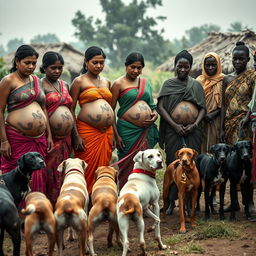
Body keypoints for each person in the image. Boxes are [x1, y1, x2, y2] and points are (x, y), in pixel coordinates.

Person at [0, 45, 53, 193]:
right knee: (14, 179)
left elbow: (43, 108)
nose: (31, 66)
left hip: (39, 140)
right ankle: (13, 213)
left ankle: (35, 211)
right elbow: (0, 110)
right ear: (17, 61)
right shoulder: (8, 81)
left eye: (34, 63)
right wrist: (4, 141)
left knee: (37, 176)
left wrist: (48, 135)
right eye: (27, 63)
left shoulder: (36, 80)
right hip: (17, 139)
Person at [111, 52, 159, 189]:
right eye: (132, 67)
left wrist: (154, 115)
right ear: (126, 66)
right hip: (127, 130)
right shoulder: (118, 84)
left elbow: (152, 106)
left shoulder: (145, 83)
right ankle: (127, 194)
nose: (136, 71)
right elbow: (110, 111)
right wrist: (116, 135)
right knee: (127, 164)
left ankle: (145, 193)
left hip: (145, 131)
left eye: (139, 68)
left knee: (147, 162)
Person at [70, 46, 114, 195]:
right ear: (86, 62)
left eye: (102, 63)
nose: (99, 66)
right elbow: (70, 110)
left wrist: (114, 133)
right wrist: (75, 136)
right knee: (87, 168)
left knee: (103, 170)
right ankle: (84, 199)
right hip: (87, 131)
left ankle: (100, 199)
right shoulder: (79, 81)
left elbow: (111, 109)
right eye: (95, 62)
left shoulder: (107, 82)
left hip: (106, 133)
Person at [220, 41, 256, 214]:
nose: (237, 62)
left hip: (245, 126)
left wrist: (248, 117)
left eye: (241, 59)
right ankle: (233, 202)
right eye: (235, 59)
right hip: (228, 126)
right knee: (231, 165)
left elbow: (254, 101)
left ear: (248, 59)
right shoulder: (226, 78)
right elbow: (222, 106)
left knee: (246, 164)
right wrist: (221, 128)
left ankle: (249, 202)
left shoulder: (252, 76)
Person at [157, 50, 206, 165]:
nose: (183, 70)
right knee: (174, 161)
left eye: (186, 67)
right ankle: (174, 183)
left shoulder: (196, 85)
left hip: (193, 131)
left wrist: (194, 125)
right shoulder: (168, 84)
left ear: (190, 67)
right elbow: (160, 107)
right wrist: (175, 126)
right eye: (180, 66)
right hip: (173, 129)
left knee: (193, 162)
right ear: (175, 66)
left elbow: (203, 108)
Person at [40, 51, 74, 207]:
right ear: (44, 67)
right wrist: (47, 135)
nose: (57, 71)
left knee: (64, 171)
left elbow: (71, 110)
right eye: (53, 68)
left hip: (66, 138)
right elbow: (41, 110)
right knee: (49, 172)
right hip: (50, 137)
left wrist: (75, 135)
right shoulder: (40, 84)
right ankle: (49, 206)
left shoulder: (65, 84)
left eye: (60, 68)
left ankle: (63, 205)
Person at [197, 52, 224, 152]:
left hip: (217, 119)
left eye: (213, 65)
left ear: (218, 65)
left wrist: (213, 114)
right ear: (203, 66)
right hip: (201, 119)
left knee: (215, 144)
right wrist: (203, 114)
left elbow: (225, 102)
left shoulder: (223, 80)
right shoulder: (198, 81)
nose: (210, 67)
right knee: (201, 145)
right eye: (207, 65)